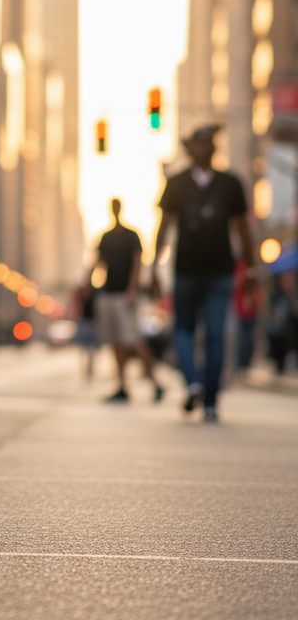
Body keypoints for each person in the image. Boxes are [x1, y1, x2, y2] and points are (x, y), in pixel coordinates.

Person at [154, 124, 255, 422]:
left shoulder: (230, 183)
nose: (203, 149)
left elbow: (242, 228)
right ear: (188, 149)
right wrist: (152, 269)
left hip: (220, 271)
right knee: (182, 330)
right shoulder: (176, 184)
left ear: (214, 148)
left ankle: (209, 399)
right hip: (185, 269)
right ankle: (194, 383)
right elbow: (164, 227)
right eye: (197, 144)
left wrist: (249, 267)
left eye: (208, 144)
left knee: (215, 335)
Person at [88, 199, 164, 403]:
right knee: (116, 343)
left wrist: (132, 290)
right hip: (108, 293)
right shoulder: (105, 236)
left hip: (125, 295)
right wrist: (87, 283)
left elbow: (138, 262)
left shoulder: (131, 235)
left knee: (133, 340)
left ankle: (156, 382)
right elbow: (98, 262)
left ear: (120, 208)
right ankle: (121, 385)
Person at [232, 264, 262, 372]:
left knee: (248, 340)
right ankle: (242, 364)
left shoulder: (255, 290)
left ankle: (246, 363)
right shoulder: (241, 290)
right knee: (243, 340)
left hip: (251, 317)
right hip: (242, 317)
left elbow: (258, 303)